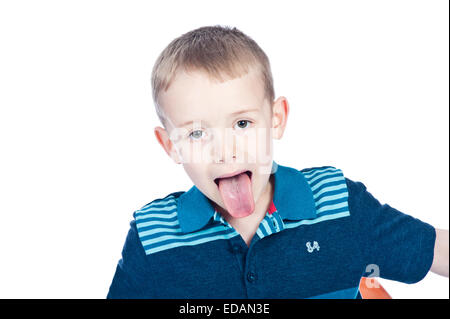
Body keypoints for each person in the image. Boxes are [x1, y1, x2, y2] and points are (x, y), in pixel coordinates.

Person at [107, 25, 448, 299]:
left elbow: (437, 250)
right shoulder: (152, 235)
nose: (225, 152)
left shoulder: (337, 205)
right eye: (197, 133)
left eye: (242, 124)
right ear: (170, 146)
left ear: (276, 119)